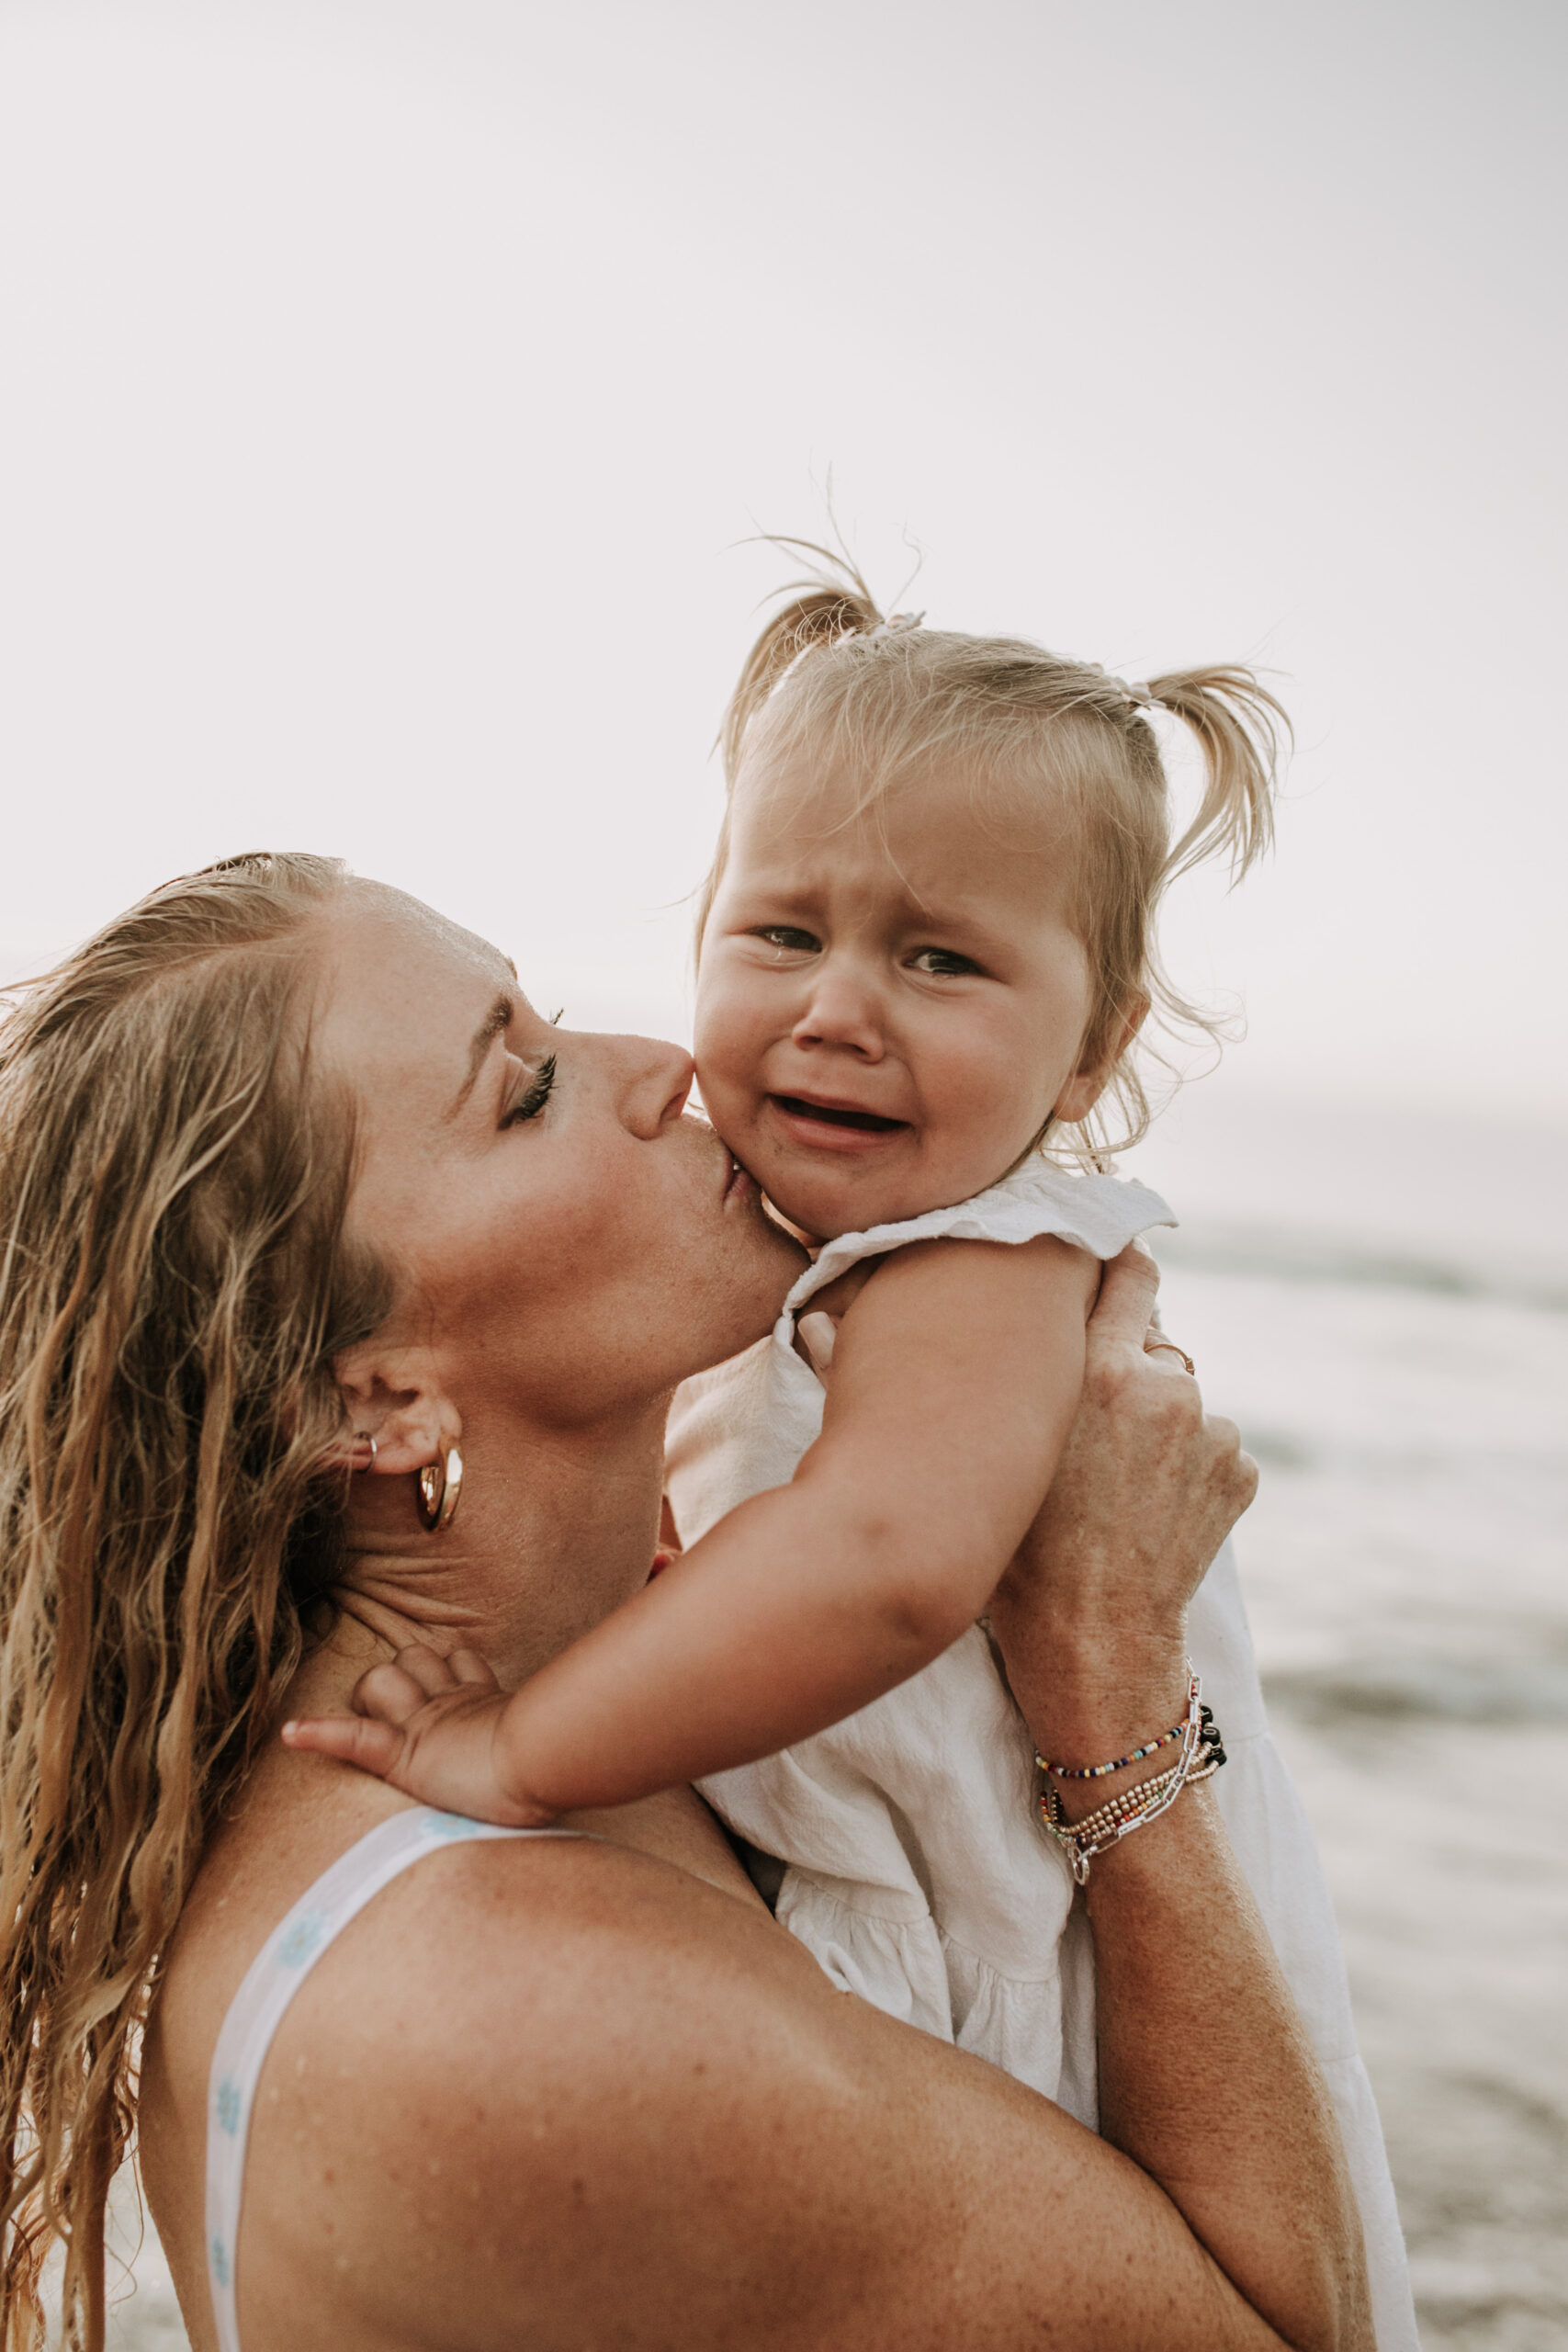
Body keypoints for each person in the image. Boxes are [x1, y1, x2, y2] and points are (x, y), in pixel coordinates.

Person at [0, 852, 1376, 2351]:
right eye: (524, 1090)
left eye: (560, 1020)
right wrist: (1108, 1659)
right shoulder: (523, 2016)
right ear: (372, 1401)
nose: (663, 1066)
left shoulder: (606, 1721)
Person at [285, 566, 1415, 2343]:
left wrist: (516, 1746)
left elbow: (885, 1563)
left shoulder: (981, 1260)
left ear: (1092, 1049)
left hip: (1027, 1940)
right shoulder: (829, 1265)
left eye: (942, 959)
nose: (838, 1009)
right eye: (783, 933)